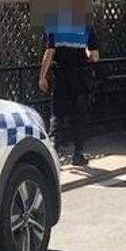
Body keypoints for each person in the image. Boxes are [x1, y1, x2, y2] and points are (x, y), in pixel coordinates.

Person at [39, 26, 100, 166]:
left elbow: (49, 53)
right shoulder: (86, 28)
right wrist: (86, 54)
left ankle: (53, 150)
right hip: (80, 78)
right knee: (79, 116)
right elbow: (95, 57)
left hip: (61, 77)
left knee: (57, 114)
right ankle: (78, 155)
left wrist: (42, 76)